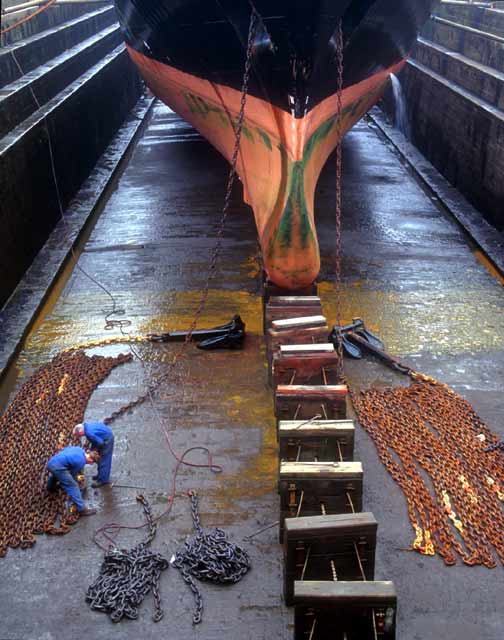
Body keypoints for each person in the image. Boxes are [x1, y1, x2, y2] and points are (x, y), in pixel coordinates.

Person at [46, 446, 99, 516]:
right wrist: (77, 483)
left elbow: (64, 449)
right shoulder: (81, 461)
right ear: (91, 460)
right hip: (57, 467)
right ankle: (82, 509)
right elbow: (73, 474)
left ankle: (50, 487)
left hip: (51, 462)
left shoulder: (79, 449)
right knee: (73, 486)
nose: (89, 464)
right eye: (90, 463)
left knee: (57, 474)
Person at [73, 421, 114, 488]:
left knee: (104, 460)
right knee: (99, 459)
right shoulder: (86, 426)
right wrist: (92, 449)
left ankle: (103, 480)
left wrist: (94, 450)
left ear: (80, 432)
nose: (79, 436)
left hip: (107, 440)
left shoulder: (89, 433)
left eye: (78, 435)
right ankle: (100, 475)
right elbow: (95, 440)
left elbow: (100, 443)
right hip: (104, 435)